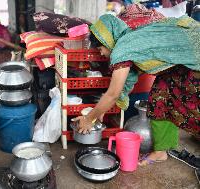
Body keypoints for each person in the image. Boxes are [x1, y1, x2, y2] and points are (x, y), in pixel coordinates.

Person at [72, 14, 200, 166]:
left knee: (194, 108)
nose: (100, 52)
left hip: (194, 56)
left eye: (100, 47)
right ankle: (160, 152)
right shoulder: (130, 39)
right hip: (177, 66)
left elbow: (113, 94)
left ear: (108, 39)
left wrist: (88, 119)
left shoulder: (122, 48)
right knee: (160, 98)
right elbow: (123, 85)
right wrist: (100, 111)